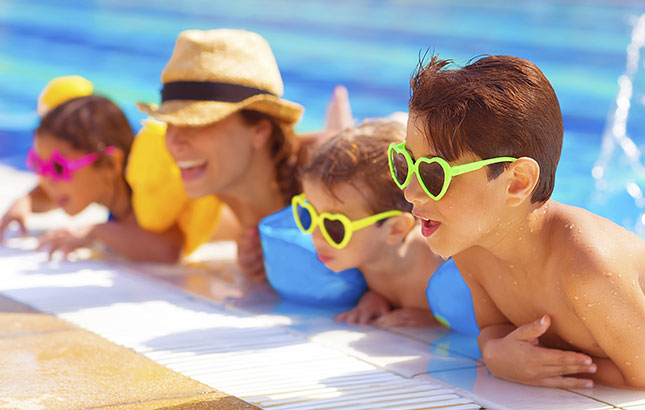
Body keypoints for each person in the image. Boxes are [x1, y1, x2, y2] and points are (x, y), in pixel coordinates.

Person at [394, 54, 645, 388]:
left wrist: (544, 366)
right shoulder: (472, 246)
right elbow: (494, 328)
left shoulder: (586, 268)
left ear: (517, 182)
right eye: (405, 163)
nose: (410, 192)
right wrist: (494, 351)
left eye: (433, 174)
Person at [138, 28, 352, 279]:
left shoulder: (328, 173)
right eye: (169, 123)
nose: (173, 142)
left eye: (196, 123)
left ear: (260, 131)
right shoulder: (216, 179)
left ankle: (342, 129)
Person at [0, 76, 227, 262]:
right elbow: (50, 193)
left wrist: (95, 231)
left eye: (59, 168)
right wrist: (26, 202)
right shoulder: (101, 186)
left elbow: (169, 250)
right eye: (39, 166)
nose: (47, 181)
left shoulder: (147, 195)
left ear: (110, 163)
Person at [296, 120, 474, 328]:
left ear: (395, 229)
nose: (316, 236)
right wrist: (374, 297)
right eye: (308, 215)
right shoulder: (362, 255)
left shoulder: (439, 262)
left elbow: (479, 313)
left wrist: (435, 320)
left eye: (334, 226)